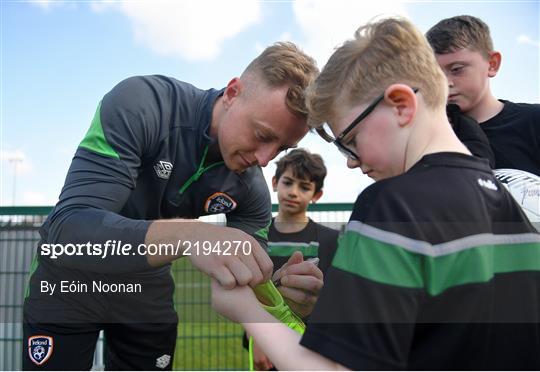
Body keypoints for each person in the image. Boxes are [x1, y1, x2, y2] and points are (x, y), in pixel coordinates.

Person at [211, 17, 540, 370]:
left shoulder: (391, 205)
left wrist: (246, 309)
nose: (353, 164)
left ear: (400, 105)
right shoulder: (506, 198)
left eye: (351, 141)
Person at [22, 42, 319, 370]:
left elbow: (247, 277)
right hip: (67, 282)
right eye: (262, 134)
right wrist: (192, 235)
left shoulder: (252, 190)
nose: (264, 159)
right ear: (233, 92)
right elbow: (68, 231)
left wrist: (278, 294)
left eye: (281, 148)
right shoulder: (143, 102)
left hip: (146, 290)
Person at [247, 148, 339, 370]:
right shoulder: (256, 237)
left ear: (316, 195)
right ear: (275, 182)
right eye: (288, 182)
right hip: (262, 342)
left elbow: (335, 301)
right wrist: (257, 336)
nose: (293, 192)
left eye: (304, 187)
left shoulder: (330, 240)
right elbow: (247, 294)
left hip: (312, 343)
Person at [426, 15, 540, 175]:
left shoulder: (534, 122)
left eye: (457, 69)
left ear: (492, 64)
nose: (445, 83)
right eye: (435, 74)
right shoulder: (426, 140)